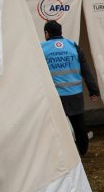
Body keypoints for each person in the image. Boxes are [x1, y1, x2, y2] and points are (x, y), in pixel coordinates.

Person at [42, 20, 100, 156]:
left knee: (57, 125)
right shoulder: (73, 46)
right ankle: (82, 151)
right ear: (61, 32)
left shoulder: (42, 48)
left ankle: (61, 153)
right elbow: (86, 70)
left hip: (56, 95)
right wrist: (93, 90)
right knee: (79, 124)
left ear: (46, 33)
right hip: (75, 93)